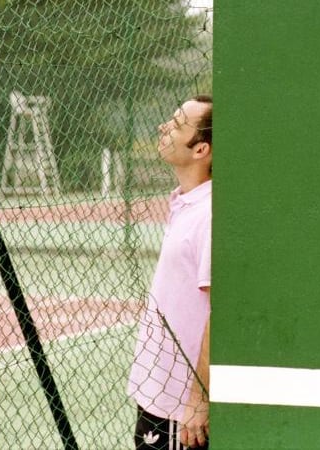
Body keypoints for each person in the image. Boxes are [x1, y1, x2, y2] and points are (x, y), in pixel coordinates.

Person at [127, 94, 213, 450]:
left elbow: (220, 312)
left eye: (177, 124)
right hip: (159, 394)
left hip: (181, 407)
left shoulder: (209, 213)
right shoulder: (185, 203)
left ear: (200, 149)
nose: (164, 127)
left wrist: (199, 398)